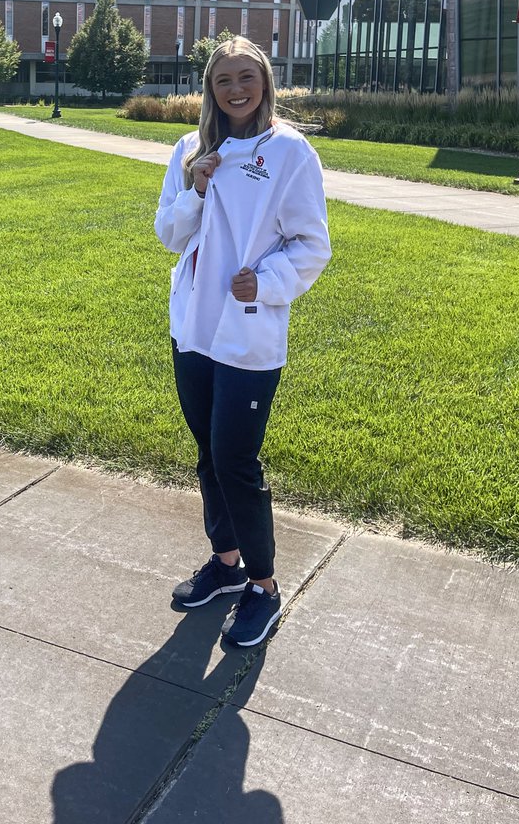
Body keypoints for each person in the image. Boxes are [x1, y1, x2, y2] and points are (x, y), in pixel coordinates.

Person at [155, 36, 331, 647]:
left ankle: (264, 587)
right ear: (209, 88)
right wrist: (196, 186)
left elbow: (312, 244)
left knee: (236, 460)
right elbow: (169, 235)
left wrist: (269, 282)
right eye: (223, 79)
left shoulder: (287, 151)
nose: (235, 89)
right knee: (207, 454)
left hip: (247, 332)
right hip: (194, 331)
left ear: (265, 82)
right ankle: (226, 566)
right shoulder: (190, 149)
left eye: (246, 77)